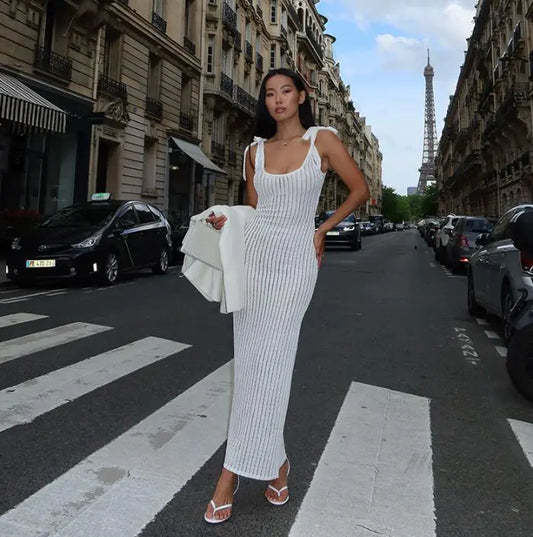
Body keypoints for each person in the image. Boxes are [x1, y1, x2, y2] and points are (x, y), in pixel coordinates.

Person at [204, 68, 370, 523]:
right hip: (255, 259)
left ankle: (229, 476)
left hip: (296, 260)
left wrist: (322, 229)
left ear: (302, 96)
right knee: (251, 362)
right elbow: (253, 211)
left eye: (286, 92)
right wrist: (228, 221)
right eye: (270, 94)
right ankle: (275, 467)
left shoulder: (324, 140)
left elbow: (361, 190)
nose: (277, 100)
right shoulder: (253, 150)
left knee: (274, 361)